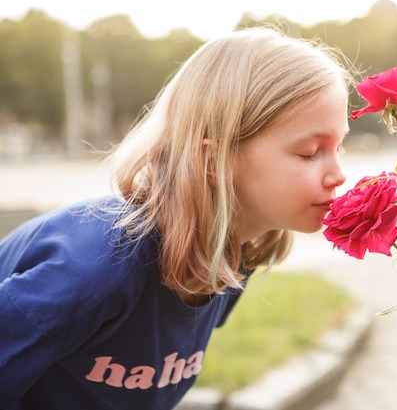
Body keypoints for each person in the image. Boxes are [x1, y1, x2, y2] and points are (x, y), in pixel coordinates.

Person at [0, 27, 352, 410]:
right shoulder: (97, 267)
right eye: (310, 151)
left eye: (340, 146)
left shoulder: (230, 257)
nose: (339, 174)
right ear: (212, 161)